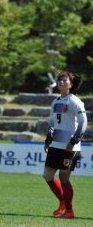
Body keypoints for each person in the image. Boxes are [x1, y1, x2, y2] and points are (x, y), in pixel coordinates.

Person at [43, 70, 86, 218]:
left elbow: (83, 123)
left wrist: (74, 141)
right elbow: (51, 123)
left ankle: (69, 210)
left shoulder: (75, 101)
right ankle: (62, 202)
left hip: (70, 146)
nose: (61, 82)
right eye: (60, 80)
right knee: (47, 175)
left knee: (63, 177)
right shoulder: (55, 102)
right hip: (55, 145)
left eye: (65, 80)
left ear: (71, 84)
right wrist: (48, 140)